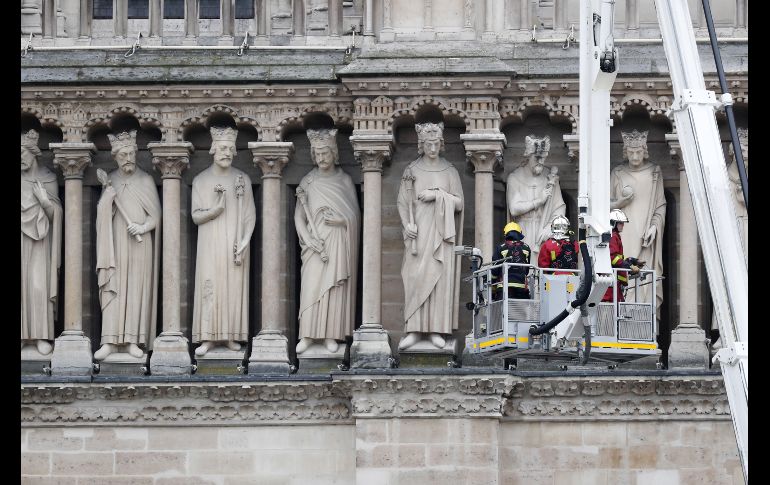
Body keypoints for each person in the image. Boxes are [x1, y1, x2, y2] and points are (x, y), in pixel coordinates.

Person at [94, 130, 162, 360]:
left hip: (139, 245)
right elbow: (101, 217)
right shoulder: (110, 180)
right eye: (123, 155)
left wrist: (142, 227)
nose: (128, 158)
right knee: (115, 289)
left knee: (135, 289)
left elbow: (157, 217)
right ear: (115, 156)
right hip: (115, 245)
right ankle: (110, 341)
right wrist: (107, 200)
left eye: (131, 153)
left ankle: (133, 339)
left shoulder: (145, 180)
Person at [397, 122, 464, 351]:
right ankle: (414, 330)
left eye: (436, 144)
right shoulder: (411, 170)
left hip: (440, 236)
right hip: (418, 236)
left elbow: (459, 203)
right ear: (421, 145)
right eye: (428, 144)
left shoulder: (450, 171)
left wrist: (436, 195)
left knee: (438, 281)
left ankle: (436, 330)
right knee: (414, 278)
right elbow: (403, 203)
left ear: (441, 144)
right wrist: (407, 225)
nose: (432, 148)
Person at [191, 126, 256, 357]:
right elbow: (195, 216)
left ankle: (229, 335)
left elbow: (249, 216)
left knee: (232, 287)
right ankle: (208, 337)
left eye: (230, 148)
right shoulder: (200, 180)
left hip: (234, 245)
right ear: (213, 149)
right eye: (222, 148)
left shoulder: (243, 179)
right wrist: (215, 210)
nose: (226, 152)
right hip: (209, 244)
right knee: (210, 286)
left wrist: (245, 241)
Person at [294, 129, 361, 355]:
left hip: (337, 242)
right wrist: (307, 238)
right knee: (311, 288)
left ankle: (332, 334)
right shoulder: (308, 181)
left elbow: (355, 216)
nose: (321, 158)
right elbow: (299, 216)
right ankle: (308, 334)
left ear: (334, 153)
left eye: (325, 153)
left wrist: (342, 220)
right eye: (317, 154)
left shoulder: (344, 180)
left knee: (334, 289)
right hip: (315, 245)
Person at [610, 130, 665, 314]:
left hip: (645, 236)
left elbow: (660, 206)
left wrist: (654, 227)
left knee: (643, 275)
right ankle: (623, 314)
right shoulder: (617, 173)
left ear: (645, 150)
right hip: (622, 234)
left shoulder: (654, 172)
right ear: (625, 151)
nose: (635, 156)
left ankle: (642, 318)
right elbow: (603, 206)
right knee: (623, 272)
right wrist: (620, 203)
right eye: (631, 152)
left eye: (639, 152)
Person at [21, 129, 62, 356]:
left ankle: (39, 335)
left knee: (37, 286)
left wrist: (45, 201)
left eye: (22, 153)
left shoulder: (48, 177)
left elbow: (56, 214)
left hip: (40, 242)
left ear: (33, 153)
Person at [507, 135, 566, 264]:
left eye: (543, 158)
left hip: (543, 231)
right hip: (523, 231)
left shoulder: (550, 178)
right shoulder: (515, 177)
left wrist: (550, 228)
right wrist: (539, 201)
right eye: (537, 157)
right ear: (528, 156)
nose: (541, 161)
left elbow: (559, 208)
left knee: (543, 267)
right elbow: (514, 209)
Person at [602, 209, 642, 303]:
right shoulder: (613, 236)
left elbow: (618, 259)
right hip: (612, 284)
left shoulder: (615, 236)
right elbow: (613, 259)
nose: (623, 225)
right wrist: (630, 266)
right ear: (613, 223)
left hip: (616, 283)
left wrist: (633, 261)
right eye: (621, 223)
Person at [491, 222, 531, 300]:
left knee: (503, 311)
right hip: (521, 287)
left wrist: (492, 282)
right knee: (519, 311)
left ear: (506, 234)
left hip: (504, 287)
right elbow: (526, 270)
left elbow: (495, 270)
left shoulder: (501, 248)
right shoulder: (526, 248)